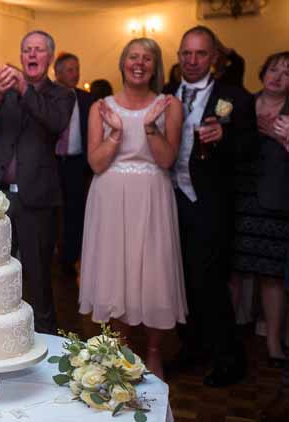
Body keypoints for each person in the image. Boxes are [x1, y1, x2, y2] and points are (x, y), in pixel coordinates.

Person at [78, 38, 187, 379]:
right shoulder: (101, 108)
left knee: (153, 271)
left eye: (147, 58)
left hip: (152, 194)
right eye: (133, 57)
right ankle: (121, 350)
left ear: (155, 67)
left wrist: (150, 126)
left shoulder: (170, 105)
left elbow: (167, 159)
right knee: (116, 271)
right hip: (110, 196)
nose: (139, 63)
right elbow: (95, 163)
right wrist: (116, 133)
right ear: (123, 63)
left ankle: (154, 351)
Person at [163, 25, 256, 387]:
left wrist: (225, 137)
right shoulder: (168, 94)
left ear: (213, 57)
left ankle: (229, 358)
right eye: (186, 52)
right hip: (172, 201)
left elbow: (250, 150)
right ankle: (192, 348)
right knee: (181, 281)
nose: (192, 59)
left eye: (200, 53)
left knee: (210, 282)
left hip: (210, 204)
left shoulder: (234, 96)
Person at [0, 30, 75, 334]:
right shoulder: (3, 90)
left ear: (49, 57)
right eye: (26, 49)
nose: (32, 54)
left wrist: (25, 89)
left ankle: (46, 347)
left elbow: (55, 123)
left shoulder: (61, 94)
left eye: (39, 50)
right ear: (20, 57)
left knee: (39, 279)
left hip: (37, 201)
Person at [231, 51, 289, 366]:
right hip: (239, 196)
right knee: (234, 272)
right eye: (273, 68)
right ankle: (232, 336)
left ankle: (274, 343)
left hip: (275, 200)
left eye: (286, 73)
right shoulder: (242, 102)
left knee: (271, 276)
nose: (277, 77)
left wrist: (283, 137)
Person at [52, 52, 95, 278]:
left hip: (77, 163)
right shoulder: (47, 96)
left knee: (75, 211)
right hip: (51, 162)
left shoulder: (87, 99)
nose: (75, 73)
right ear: (57, 72)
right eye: (69, 69)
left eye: (77, 68)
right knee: (51, 211)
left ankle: (69, 257)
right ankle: (49, 253)